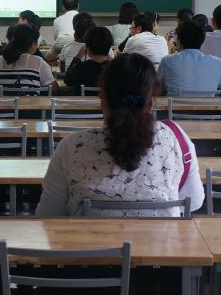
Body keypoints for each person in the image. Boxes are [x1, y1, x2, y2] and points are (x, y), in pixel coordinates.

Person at [37, 53, 204, 217]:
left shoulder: (71, 148)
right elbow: (194, 201)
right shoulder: (176, 139)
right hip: (163, 236)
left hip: (90, 237)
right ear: (150, 102)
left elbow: (48, 214)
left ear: (102, 97)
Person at [158, 20, 221, 95]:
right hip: (208, 102)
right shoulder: (217, 62)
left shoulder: (167, 61)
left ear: (179, 41)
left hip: (175, 103)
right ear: (202, 40)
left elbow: (158, 85)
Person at [0, 24, 55, 93]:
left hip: (4, 102)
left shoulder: (1, 60)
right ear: (33, 44)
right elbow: (53, 88)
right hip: (30, 102)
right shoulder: (38, 61)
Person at [63, 25, 113, 94]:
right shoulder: (116, 68)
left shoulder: (80, 67)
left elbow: (67, 81)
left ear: (87, 47)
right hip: (108, 101)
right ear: (109, 46)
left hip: (83, 101)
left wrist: (77, 57)